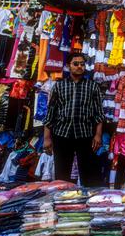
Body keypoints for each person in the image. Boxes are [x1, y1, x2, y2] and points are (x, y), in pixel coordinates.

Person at [43, 53, 106, 187]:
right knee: (62, 173)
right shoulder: (59, 86)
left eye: (82, 64)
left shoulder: (92, 86)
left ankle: (87, 201)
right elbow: (51, 113)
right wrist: (47, 138)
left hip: (85, 135)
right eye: (75, 64)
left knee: (88, 174)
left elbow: (99, 113)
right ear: (68, 66)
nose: (79, 67)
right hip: (62, 134)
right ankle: (61, 201)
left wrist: (98, 135)